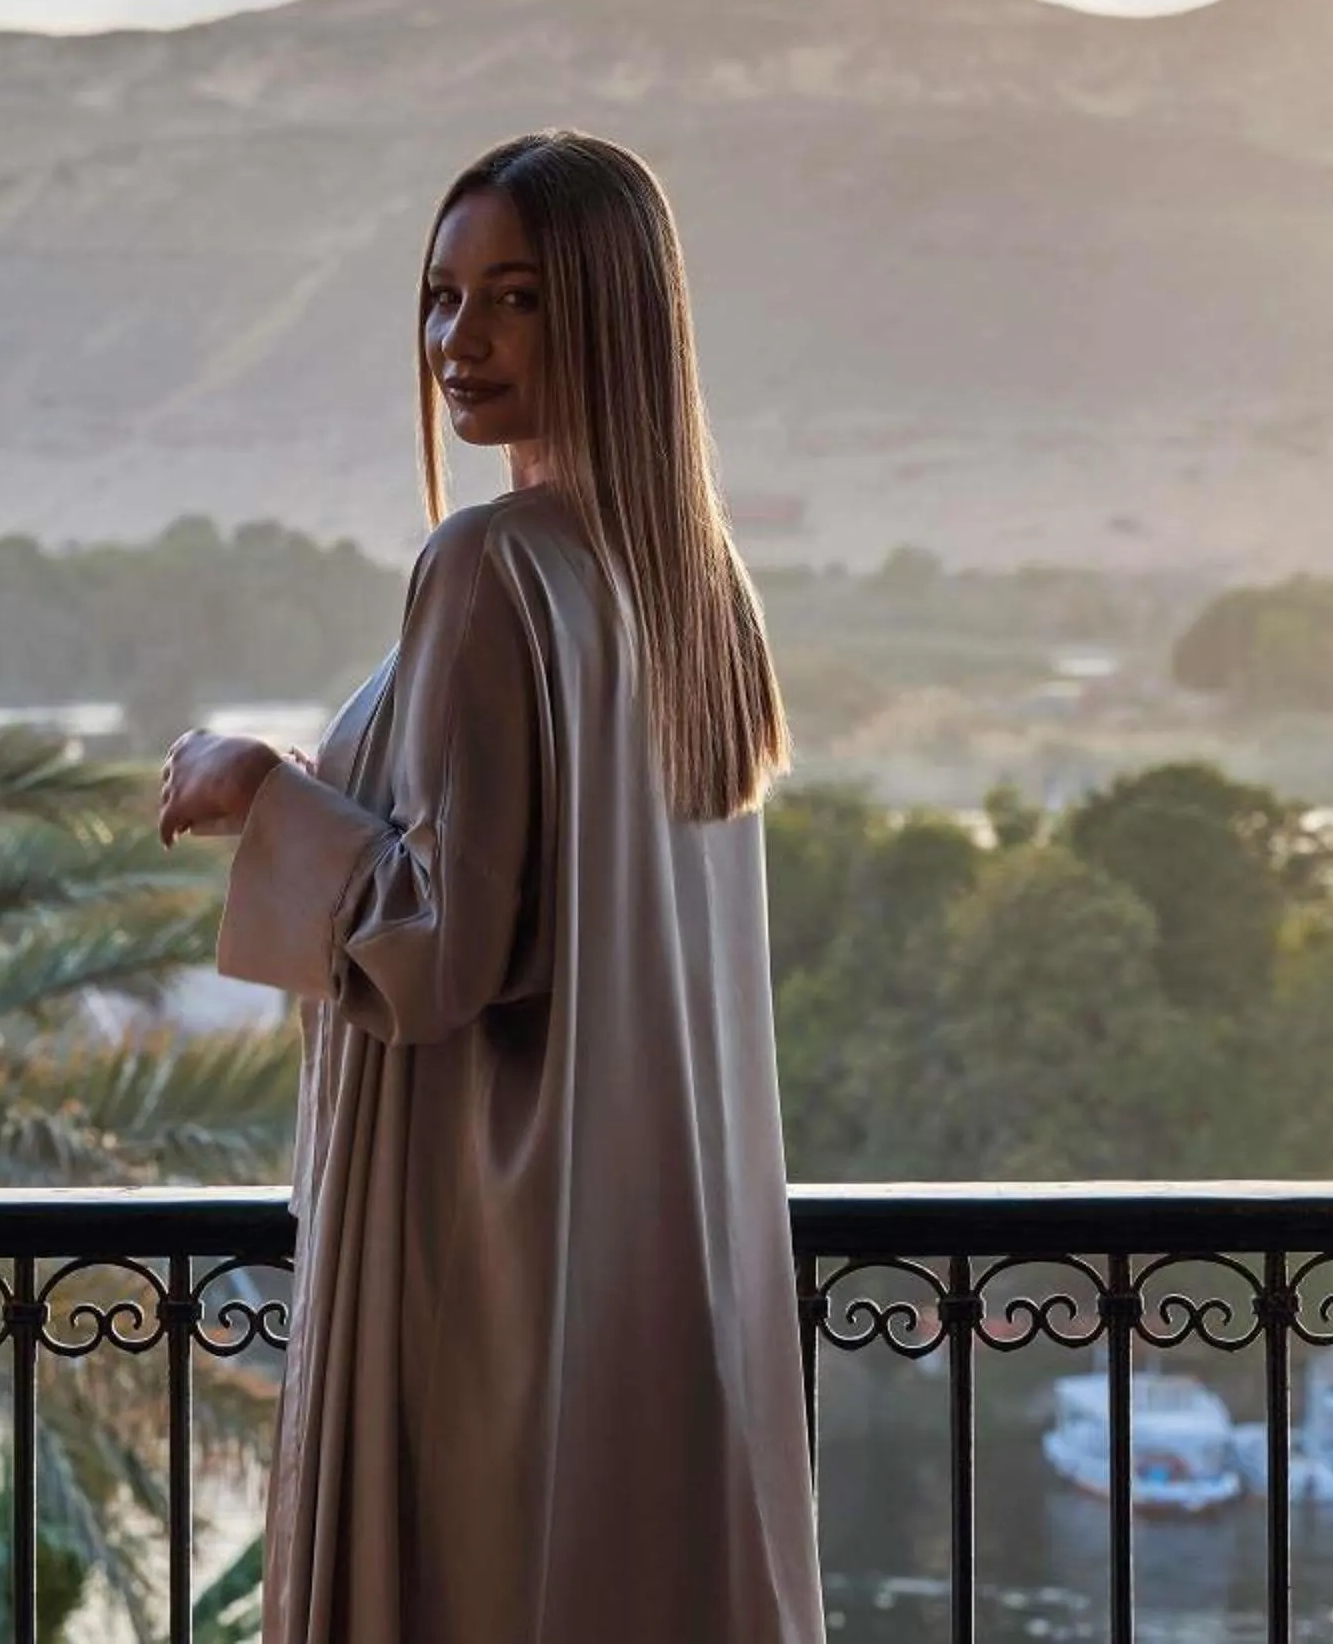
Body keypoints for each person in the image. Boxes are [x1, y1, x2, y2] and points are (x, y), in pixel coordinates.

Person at [154, 128, 828, 1644]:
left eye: (516, 299)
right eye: (442, 297)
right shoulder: (697, 585)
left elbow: (437, 952)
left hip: (489, 1257)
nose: (461, 339)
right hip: (658, 1265)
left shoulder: (492, 564)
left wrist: (258, 787)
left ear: (612, 316)